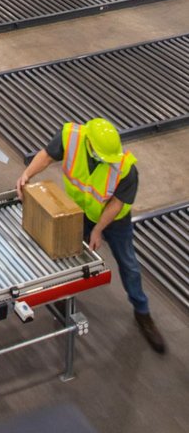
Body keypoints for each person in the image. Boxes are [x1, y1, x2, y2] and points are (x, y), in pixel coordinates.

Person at [16, 118, 165, 354]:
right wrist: (27, 174)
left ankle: (142, 312)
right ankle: (64, 297)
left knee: (128, 264)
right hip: (79, 210)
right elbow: (47, 155)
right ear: (90, 144)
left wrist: (98, 230)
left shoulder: (126, 168)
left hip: (113, 220)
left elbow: (116, 204)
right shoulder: (72, 137)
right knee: (66, 255)